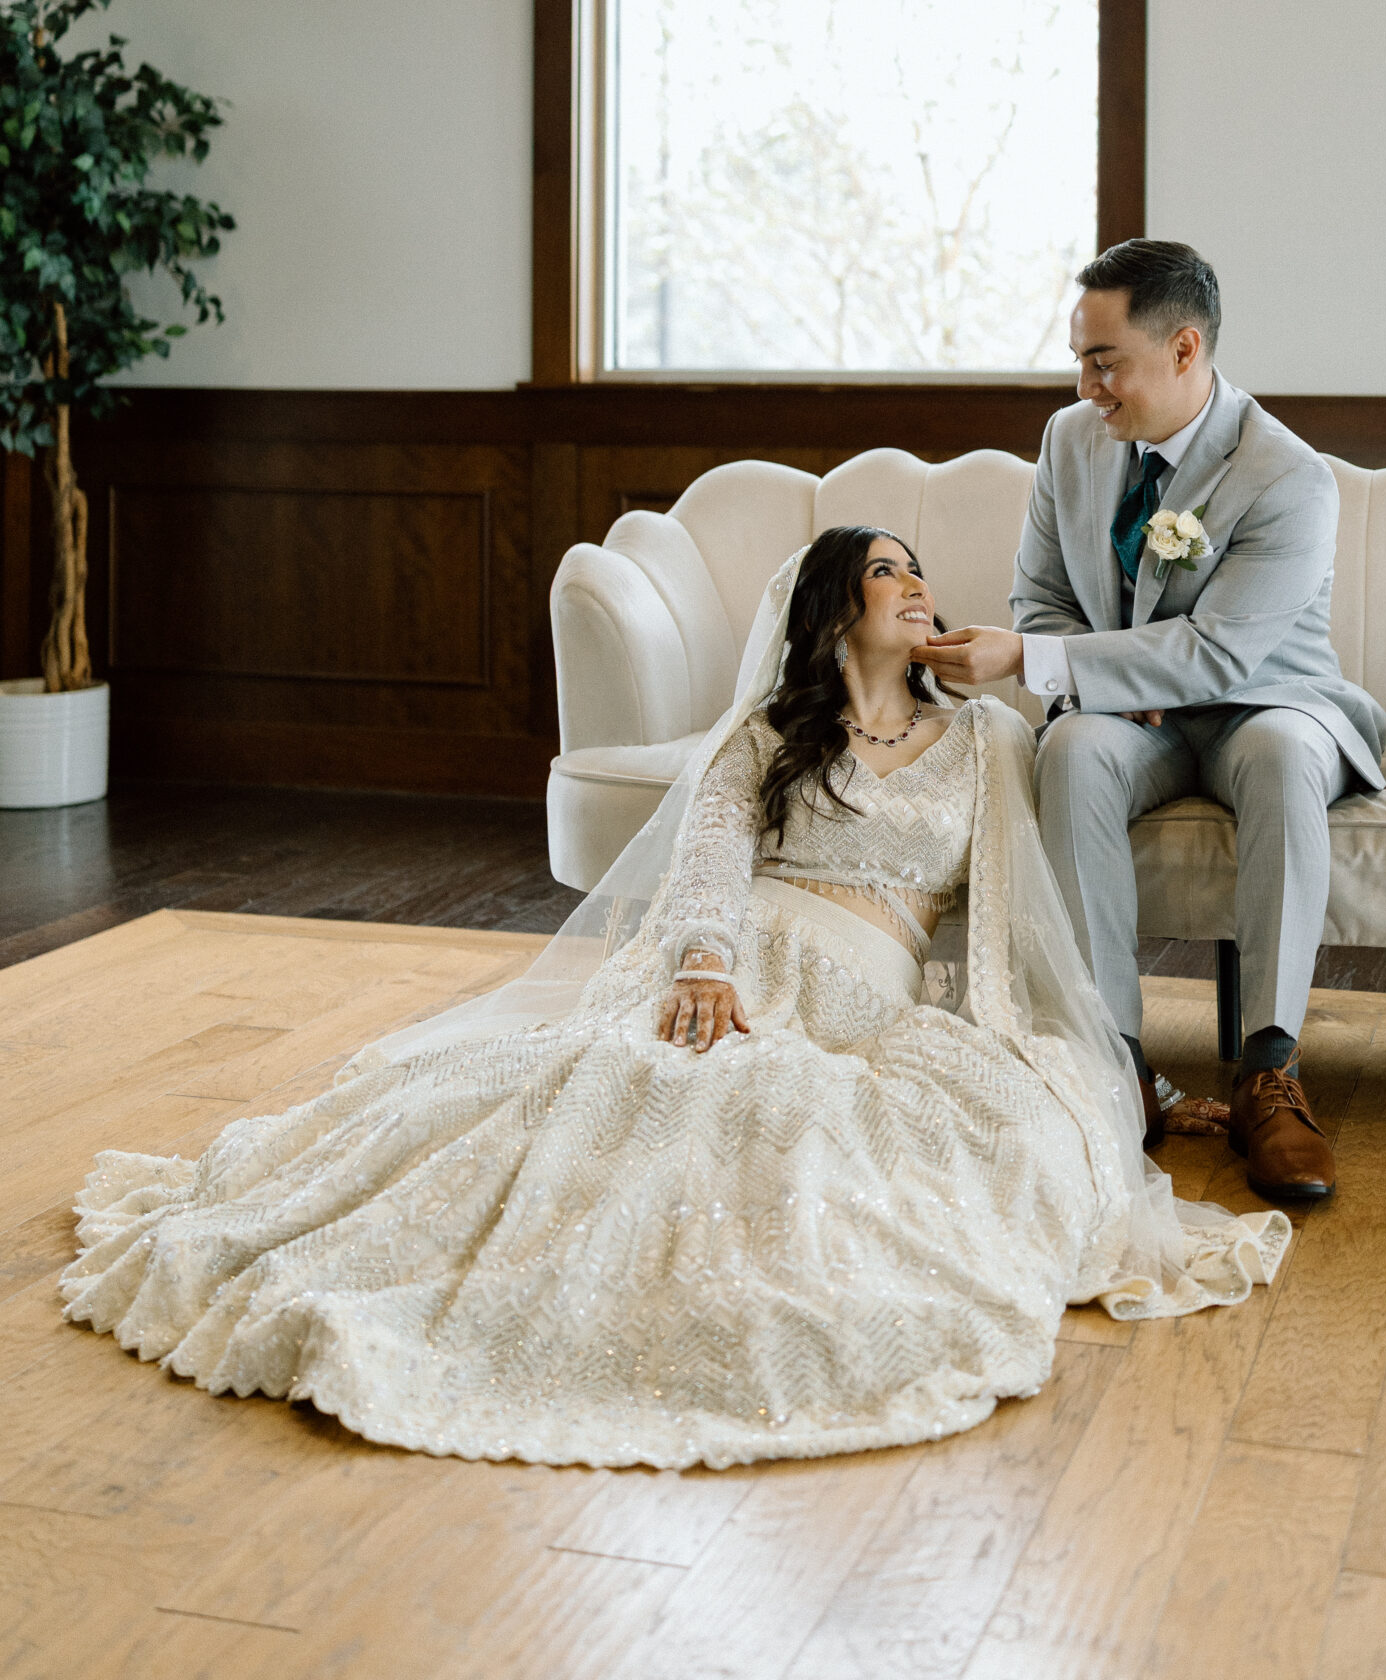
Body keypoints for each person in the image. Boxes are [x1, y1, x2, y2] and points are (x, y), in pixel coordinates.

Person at [62, 526, 1287, 1472]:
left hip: (869, 1004)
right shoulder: (767, 734)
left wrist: (1100, 1072)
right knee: (631, 1104)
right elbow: (709, 851)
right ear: (830, 606)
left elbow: (1026, 926)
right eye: (884, 571)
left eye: (922, 572)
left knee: (956, 1142)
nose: (916, 586)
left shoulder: (988, 740)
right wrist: (701, 957)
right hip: (738, 969)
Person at [918, 240, 1386, 1203]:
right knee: (1078, 748)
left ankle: (1269, 1069)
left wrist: (1036, 660)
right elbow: (1041, 597)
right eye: (1078, 359)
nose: (1088, 386)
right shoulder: (1069, 440)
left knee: (1279, 751)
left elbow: (1220, 654)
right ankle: (1113, 1062)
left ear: (1183, 349)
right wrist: (1084, 676)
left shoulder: (1287, 476)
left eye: (1105, 361)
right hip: (1129, 713)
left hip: (1266, 700)